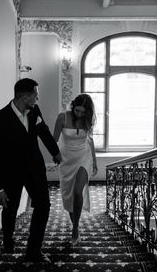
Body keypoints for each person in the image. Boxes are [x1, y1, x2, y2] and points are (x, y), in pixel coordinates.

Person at [0, 78, 62, 262]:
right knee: (10, 209)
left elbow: (43, 131)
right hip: (10, 173)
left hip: (35, 170)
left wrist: (55, 152)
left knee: (43, 206)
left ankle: (34, 250)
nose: (38, 98)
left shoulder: (34, 110)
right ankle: (8, 241)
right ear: (25, 96)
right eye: (35, 95)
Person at [53, 93, 97, 246]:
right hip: (67, 160)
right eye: (77, 111)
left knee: (78, 191)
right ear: (73, 107)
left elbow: (90, 140)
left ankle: (75, 229)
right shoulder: (62, 118)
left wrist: (95, 160)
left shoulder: (87, 119)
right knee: (70, 196)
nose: (80, 114)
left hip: (84, 157)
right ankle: (75, 225)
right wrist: (55, 155)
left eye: (83, 112)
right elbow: (53, 141)